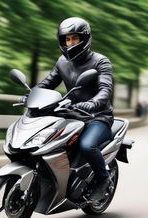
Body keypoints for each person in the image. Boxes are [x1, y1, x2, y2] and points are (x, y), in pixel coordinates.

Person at [23, 17, 114, 201]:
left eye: (75, 38)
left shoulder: (100, 61)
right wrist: (31, 95)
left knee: (87, 146)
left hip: (97, 116)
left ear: (85, 38)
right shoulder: (62, 62)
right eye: (67, 39)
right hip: (71, 113)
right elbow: (47, 84)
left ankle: (103, 180)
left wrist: (93, 103)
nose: (70, 43)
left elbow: (106, 89)